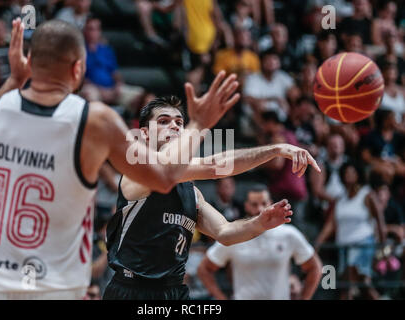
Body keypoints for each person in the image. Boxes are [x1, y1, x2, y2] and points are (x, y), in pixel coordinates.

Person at [0, 18, 240, 300]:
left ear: (30, 63)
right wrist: (198, 124)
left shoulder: (0, 109)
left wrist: (14, 82)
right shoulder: (94, 119)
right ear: (78, 68)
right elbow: (165, 177)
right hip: (53, 282)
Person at [104, 95, 321, 300]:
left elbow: (225, 233)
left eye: (180, 122)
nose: (175, 126)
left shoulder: (192, 193)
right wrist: (275, 149)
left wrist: (260, 223)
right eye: (163, 121)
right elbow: (215, 166)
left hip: (174, 290)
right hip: (132, 290)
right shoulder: (137, 173)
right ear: (145, 134)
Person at [197, 184, 322, 300]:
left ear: (271, 204)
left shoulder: (288, 234)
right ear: (246, 206)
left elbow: (315, 267)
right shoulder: (234, 234)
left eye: (263, 203)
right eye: (254, 204)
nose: (260, 209)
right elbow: (204, 269)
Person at [315, 161, 386, 300]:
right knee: (360, 287)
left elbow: (380, 220)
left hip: (364, 244)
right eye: (346, 172)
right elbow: (330, 225)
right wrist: (316, 245)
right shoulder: (340, 199)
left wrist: (382, 247)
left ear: (358, 175)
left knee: (351, 284)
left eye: (353, 172)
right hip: (345, 247)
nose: (349, 175)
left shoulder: (367, 195)